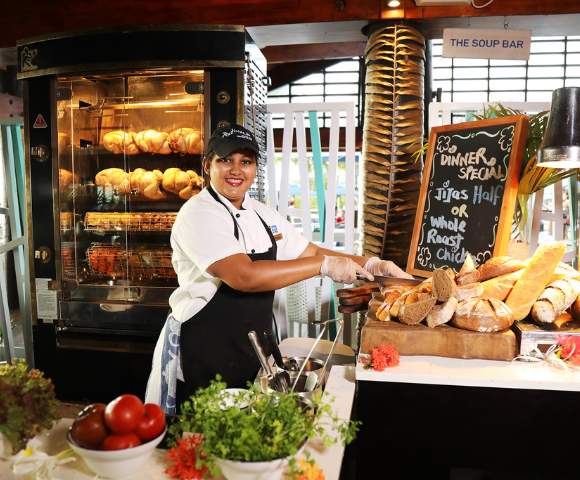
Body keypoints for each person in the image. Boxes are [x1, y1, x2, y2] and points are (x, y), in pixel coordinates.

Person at [146, 124, 412, 414]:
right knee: (205, 439)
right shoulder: (199, 213)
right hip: (207, 349)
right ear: (207, 165)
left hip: (249, 349)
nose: (236, 170)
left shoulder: (261, 213)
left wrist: (370, 262)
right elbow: (243, 276)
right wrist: (323, 266)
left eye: (245, 162)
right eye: (225, 160)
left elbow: (309, 251)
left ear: (255, 168)